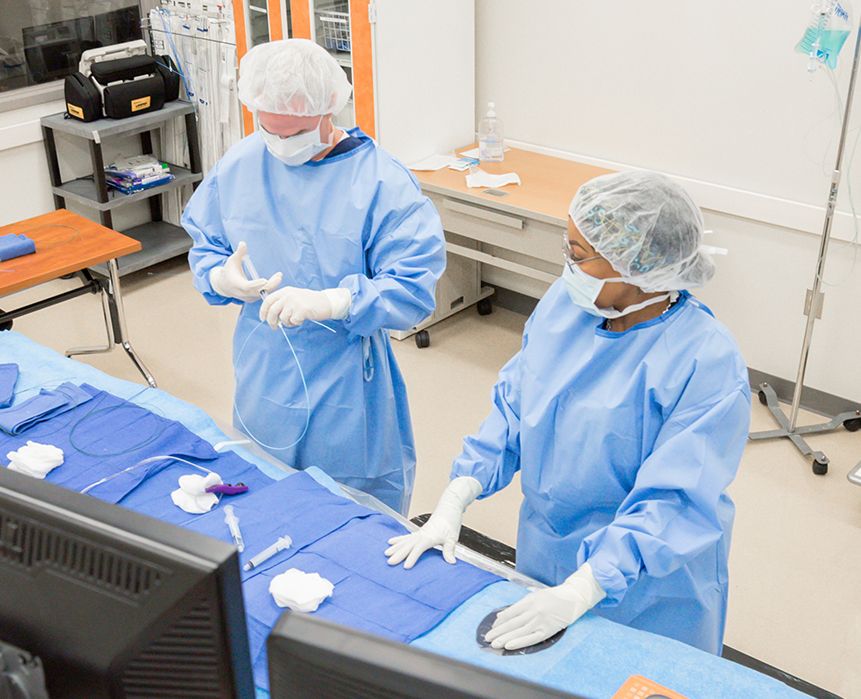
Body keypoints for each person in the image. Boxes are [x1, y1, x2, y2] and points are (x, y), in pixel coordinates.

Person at [383, 171, 748, 655]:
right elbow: (516, 406)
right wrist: (459, 492)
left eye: (578, 256)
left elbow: (674, 503)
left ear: (637, 267)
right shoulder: (564, 307)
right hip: (547, 551)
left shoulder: (706, 362)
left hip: (648, 585)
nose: (567, 267)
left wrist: (585, 588)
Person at [182, 39, 445, 514]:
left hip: (346, 383)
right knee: (263, 501)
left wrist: (334, 302)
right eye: (270, 130)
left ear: (329, 112)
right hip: (264, 366)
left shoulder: (382, 184)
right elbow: (207, 241)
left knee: (351, 517)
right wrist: (220, 277)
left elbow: (412, 286)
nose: (280, 145)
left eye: (295, 132)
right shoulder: (242, 164)